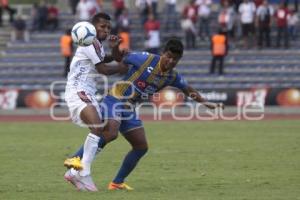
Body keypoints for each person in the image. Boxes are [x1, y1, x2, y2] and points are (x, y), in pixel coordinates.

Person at [63, 38, 224, 191]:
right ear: (163, 53)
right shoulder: (145, 59)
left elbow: (188, 90)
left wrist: (205, 103)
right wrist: (116, 49)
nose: (170, 61)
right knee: (110, 133)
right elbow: (121, 58)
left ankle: (117, 183)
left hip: (129, 108)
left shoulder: (172, 76)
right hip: (115, 98)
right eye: (168, 56)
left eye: (175, 59)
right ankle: (75, 160)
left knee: (141, 146)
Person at [63, 12, 127, 192]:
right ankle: (83, 173)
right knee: (98, 127)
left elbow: (105, 58)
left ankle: (74, 172)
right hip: (78, 90)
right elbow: (104, 69)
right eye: (102, 27)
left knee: (110, 132)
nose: (106, 30)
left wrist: (115, 51)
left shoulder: (96, 44)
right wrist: (122, 67)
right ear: (92, 28)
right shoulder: (89, 41)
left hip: (89, 92)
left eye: (108, 27)